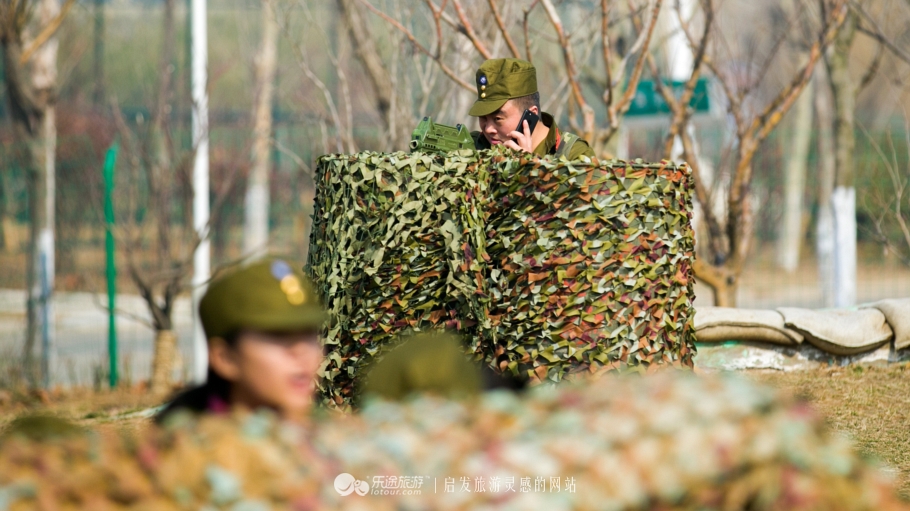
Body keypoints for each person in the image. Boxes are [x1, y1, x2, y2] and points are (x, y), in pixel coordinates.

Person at [156, 257, 327, 424]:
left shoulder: (332, 441)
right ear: (225, 358)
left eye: (309, 333)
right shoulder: (179, 447)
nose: (302, 350)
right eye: (279, 335)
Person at [468, 58, 595, 160]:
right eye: (483, 117)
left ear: (530, 115)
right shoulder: (471, 146)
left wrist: (528, 171)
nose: (488, 129)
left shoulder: (575, 156)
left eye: (497, 119)